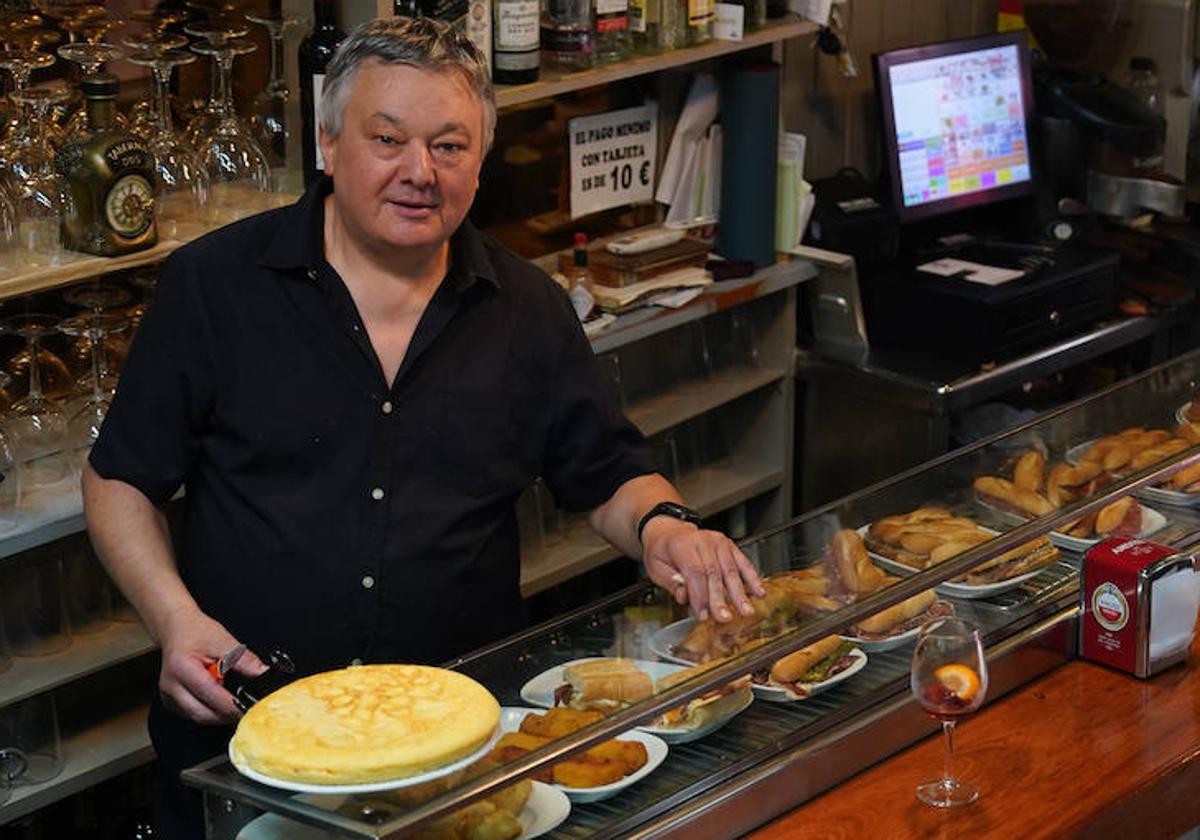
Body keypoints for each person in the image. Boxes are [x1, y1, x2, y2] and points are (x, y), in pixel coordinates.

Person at [83, 16, 764, 838]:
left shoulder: (526, 309)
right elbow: (121, 476)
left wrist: (665, 527)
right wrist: (175, 621)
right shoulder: (215, 285)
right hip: (251, 738)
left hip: (458, 754)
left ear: (479, 163)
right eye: (389, 139)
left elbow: (608, 471)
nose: (419, 172)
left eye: (449, 147)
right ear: (329, 143)